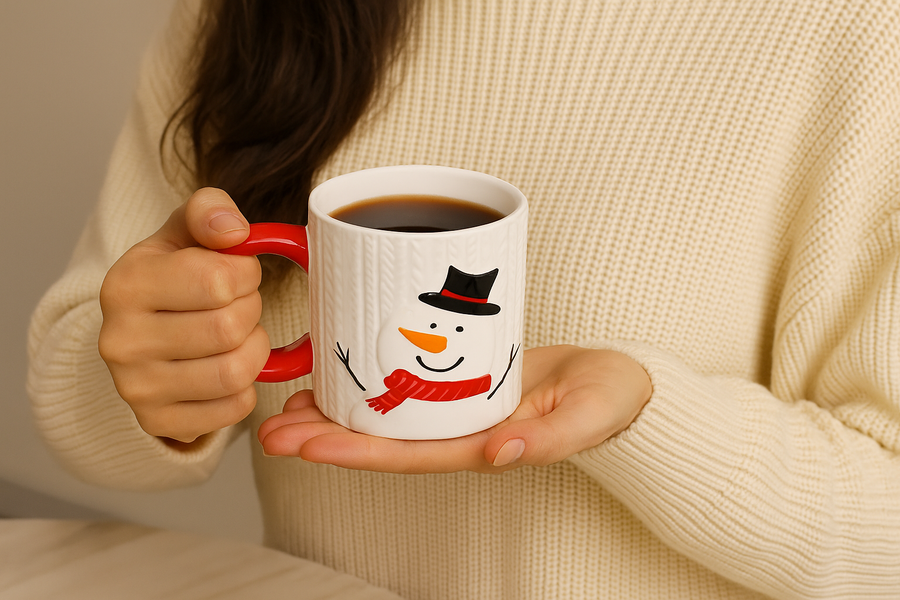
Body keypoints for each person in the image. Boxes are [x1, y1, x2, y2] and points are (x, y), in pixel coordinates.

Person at [27, 0, 900, 598]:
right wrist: (159, 369)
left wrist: (647, 417)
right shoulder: (252, 14)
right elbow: (86, 401)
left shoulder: (852, 29)